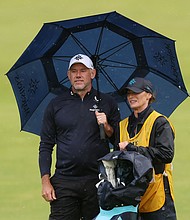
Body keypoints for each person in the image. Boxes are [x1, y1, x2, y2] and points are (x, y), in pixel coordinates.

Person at [38, 54, 120, 220]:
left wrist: (106, 126)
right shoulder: (56, 104)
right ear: (68, 75)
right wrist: (45, 181)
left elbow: (117, 141)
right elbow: (46, 145)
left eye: (83, 70)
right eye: (74, 71)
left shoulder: (107, 103)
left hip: (98, 179)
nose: (78, 75)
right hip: (65, 181)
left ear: (93, 73)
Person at [119, 77, 177, 220]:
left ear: (149, 95)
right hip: (131, 198)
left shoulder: (160, 122)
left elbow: (166, 154)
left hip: (157, 196)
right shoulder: (122, 125)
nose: (131, 97)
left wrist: (133, 149)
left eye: (136, 93)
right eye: (128, 93)